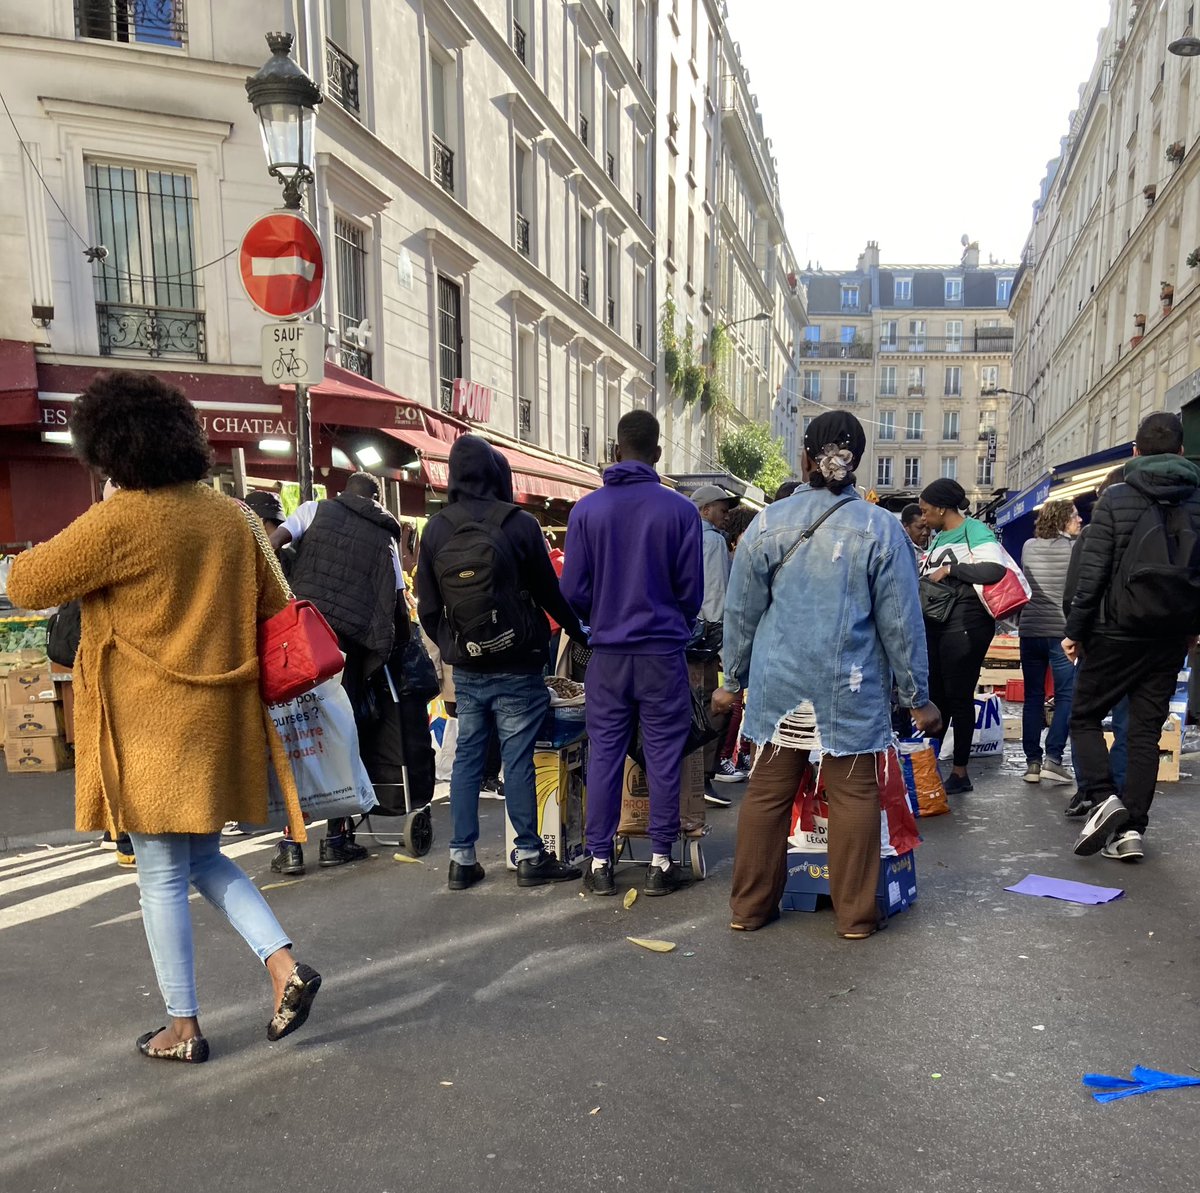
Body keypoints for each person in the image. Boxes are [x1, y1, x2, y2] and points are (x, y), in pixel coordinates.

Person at [6, 371, 320, 1064]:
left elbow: (26, 584)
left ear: (110, 449)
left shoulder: (122, 519)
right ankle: (283, 967)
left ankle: (183, 1026)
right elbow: (278, 603)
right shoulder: (234, 516)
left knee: (159, 874)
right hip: (220, 717)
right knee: (203, 855)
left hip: (147, 726)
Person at [716, 410, 939, 938]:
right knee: (855, 795)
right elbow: (901, 623)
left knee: (767, 793)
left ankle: (749, 908)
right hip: (849, 685)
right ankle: (857, 916)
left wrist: (731, 681)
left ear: (804, 458)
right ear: (858, 462)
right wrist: (916, 695)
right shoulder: (881, 527)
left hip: (779, 687)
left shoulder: (768, 522)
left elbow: (741, 612)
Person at [417, 434, 586, 891]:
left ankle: (462, 859)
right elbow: (550, 593)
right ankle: (530, 855)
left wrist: (458, 646)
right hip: (519, 661)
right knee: (518, 757)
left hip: (468, 667)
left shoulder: (435, 529)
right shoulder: (519, 524)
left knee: (469, 756)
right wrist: (579, 627)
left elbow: (428, 609)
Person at [561, 410, 703, 897]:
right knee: (663, 755)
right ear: (657, 453)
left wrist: (599, 618)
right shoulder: (681, 511)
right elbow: (691, 591)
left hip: (608, 654)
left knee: (604, 754)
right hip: (663, 652)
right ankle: (661, 862)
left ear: (616, 450)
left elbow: (573, 590)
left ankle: (599, 861)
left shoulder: (586, 511)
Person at [1064, 412, 1200, 862]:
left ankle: (1104, 799)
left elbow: (1092, 573)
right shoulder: (1197, 498)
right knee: (1144, 733)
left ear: (1135, 452)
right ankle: (1131, 832)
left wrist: (1075, 631)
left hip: (1114, 630)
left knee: (1083, 717)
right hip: (1168, 636)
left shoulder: (1117, 498)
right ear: (1181, 452)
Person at [268, 472, 406, 874]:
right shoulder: (386, 539)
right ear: (377, 501)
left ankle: (292, 844)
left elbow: (273, 544)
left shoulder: (314, 510)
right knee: (340, 739)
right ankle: (337, 838)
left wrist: (285, 598)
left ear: (343, 492)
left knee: (297, 736)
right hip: (346, 654)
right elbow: (396, 603)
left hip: (299, 643)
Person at [918, 479, 1007, 795]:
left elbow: (995, 570)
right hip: (939, 624)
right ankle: (926, 768)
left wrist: (950, 570)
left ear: (942, 508)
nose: (924, 517)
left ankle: (960, 772)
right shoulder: (940, 535)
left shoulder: (974, 530)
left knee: (958, 696)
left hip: (966, 626)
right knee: (937, 695)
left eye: (927, 511)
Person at [1061, 469, 1128, 816]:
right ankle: (1119, 795)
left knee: (1084, 717)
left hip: (1100, 638)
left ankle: (1094, 792)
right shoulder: (1160, 530)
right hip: (1147, 640)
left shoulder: (1091, 535)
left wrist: (1076, 633)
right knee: (1130, 726)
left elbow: (1076, 591)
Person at [1018, 500, 1082, 786]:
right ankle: (1053, 759)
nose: (1079, 520)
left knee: (1032, 696)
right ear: (1062, 520)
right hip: (1060, 632)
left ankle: (1032, 762)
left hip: (1029, 631)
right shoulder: (1072, 550)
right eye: (1075, 516)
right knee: (1067, 695)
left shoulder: (1028, 546)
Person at [691, 483, 740, 807]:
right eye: (722, 510)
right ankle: (704, 777)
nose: (726, 517)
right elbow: (718, 595)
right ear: (706, 509)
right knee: (714, 704)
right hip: (707, 639)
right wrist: (725, 646)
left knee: (690, 707)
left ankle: (694, 778)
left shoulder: (681, 537)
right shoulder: (712, 541)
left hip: (682, 636)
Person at [713, 505, 760, 782]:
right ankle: (723, 757)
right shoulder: (730, 550)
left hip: (728, 638)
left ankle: (734, 754)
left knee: (738, 704)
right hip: (726, 638)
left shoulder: (733, 550)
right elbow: (737, 606)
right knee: (734, 704)